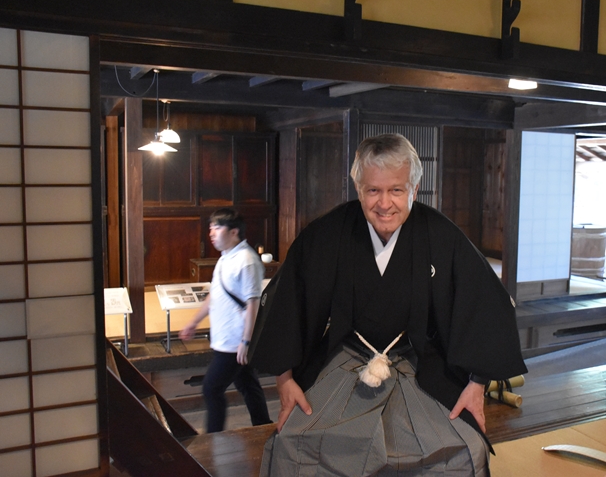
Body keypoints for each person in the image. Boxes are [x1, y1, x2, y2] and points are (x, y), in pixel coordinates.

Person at [251, 134, 527, 475]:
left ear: (414, 188)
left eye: (396, 190)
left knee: (464, 447)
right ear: (358, 188)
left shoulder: (441, 235)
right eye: (373, 190)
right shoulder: (328, 233)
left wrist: (477, 385)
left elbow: (482, 301)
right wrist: (284, 380)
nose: (384, 204)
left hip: (418, 361)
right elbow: (289, 301)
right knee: (293, 442)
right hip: (345, 358)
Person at [179, 208, 272, 432]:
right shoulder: (226, 257)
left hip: (235, 342)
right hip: (227, 338)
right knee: (248, 385)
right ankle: (264, 428)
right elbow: (215, 295)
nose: (211, 233)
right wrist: (194, 322)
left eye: (217, 227)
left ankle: (213, 437)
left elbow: (253, 303)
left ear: (233, 232)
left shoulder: (246, 260)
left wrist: (246, 341)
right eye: (210, 228)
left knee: (211, 389)